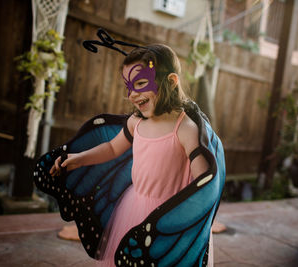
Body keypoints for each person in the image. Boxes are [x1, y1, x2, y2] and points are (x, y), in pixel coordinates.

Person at [49, 43, 220, 266]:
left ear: (170, 81)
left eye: (140, 83)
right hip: (133, 209)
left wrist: (187, 220)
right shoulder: (136, 123)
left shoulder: (185, 128)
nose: (132, 94)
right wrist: (78, 158)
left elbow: (202, 184)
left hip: (166, 218)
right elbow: (111, 148)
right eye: (128, 86)